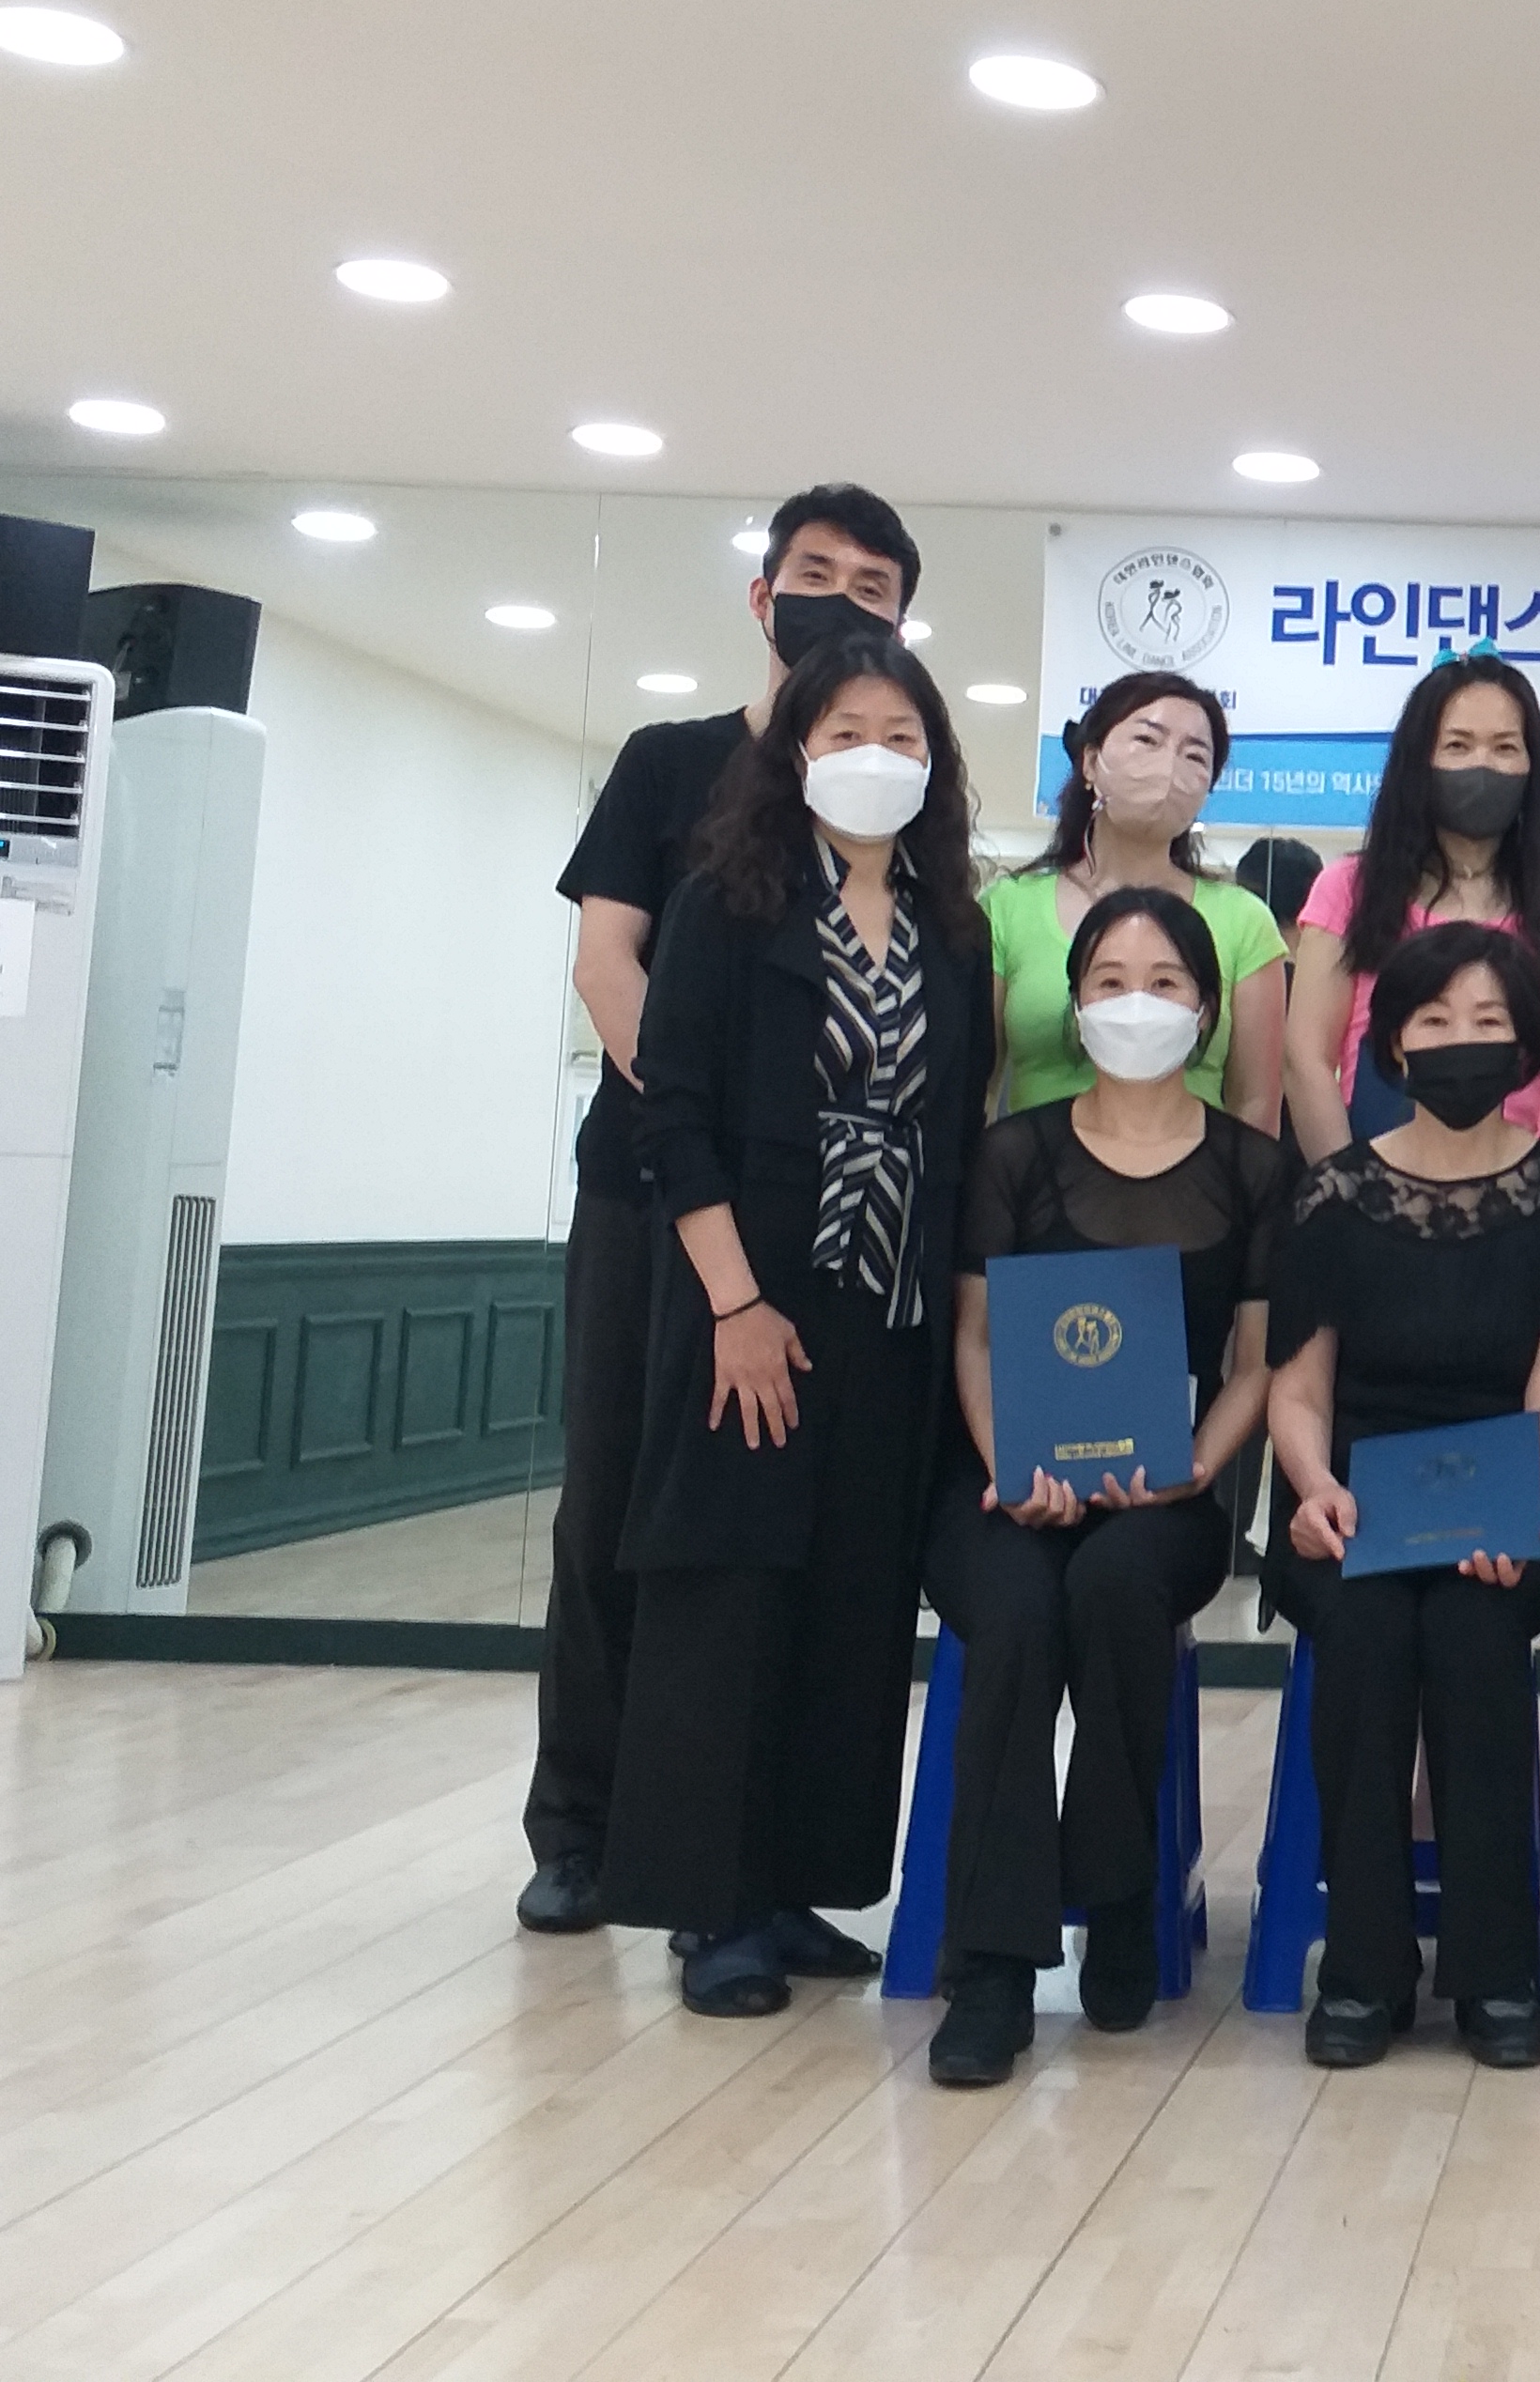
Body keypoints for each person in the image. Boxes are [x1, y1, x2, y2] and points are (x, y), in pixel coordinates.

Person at [519, 485, 917, 1938]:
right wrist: (714, 1133)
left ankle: (739, 1860)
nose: (838, 599)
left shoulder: (896, 828)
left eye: (871, 586)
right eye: (816, 572)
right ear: (762, 597)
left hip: (823, 1235)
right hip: (655, 1195)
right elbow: (606, 964)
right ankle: (580, 1825)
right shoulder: (670, 761)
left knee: (774, 1534)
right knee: (620, 1500)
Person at [599, 626, 996, 2017]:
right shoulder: (727, 903)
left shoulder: (955, 929)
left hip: (890, 1310)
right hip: (751, 1297)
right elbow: (672, 1113)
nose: (873, 758)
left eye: (901, 736)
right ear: (795, 753)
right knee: (729, 1594)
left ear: (934, 762)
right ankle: (709, 1906)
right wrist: (736, 1303)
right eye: (845, 735)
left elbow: (961, 1123)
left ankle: (792, 1885)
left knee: (850, 1599)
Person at [922, 884, 1292, 2084]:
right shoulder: (1012, 1152)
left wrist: (1192, 1468)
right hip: (1003, 1481)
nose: (1138, 1004)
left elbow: (1256, 1362)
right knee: (1020, 1608)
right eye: (1111, 983)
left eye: (1166, 983)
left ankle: (1118, 1894)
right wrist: (1009, 1462)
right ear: (1075, 1007)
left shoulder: (1253, 1167)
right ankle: (993, 1964)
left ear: (1208, 1011)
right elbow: (975, 1336)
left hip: (1168, 1493)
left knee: (1118, 1589)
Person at [1263, 921, 1540, 2069]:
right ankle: (1362, 1971)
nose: (1463, 1041)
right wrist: (1314, 1487)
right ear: (1394, 1045)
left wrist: (1518, 1505)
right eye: (1436, 1020)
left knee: (1470, 1632)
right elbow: (1298, 1389)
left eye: (1490, 1023)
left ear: (1528, 1049)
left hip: (1514, 1500)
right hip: (1351, 1507)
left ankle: (1495, 1969)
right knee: (1364, 1635)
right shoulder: (1332, 1196)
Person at [1282, 655, 1540, 1160]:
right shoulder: (1348, 889)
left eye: (1505, 747)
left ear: (1532, 766)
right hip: (1369, 1169)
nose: (1482, 764)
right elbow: (1306, 1061)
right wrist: (1349, 1184)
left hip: (1515, 1180)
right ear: (1419, 761)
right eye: (1458, 745)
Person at [983, 672, 1290, 1128]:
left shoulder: (1244, 921)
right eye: (1148, 740)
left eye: (1194, 755)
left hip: (1197, 1169)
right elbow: (977, 1083)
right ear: (1091, 762)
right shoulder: (1008, 907)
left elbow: (1255, 1102)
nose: (1170, 766)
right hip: (1033, 1167)